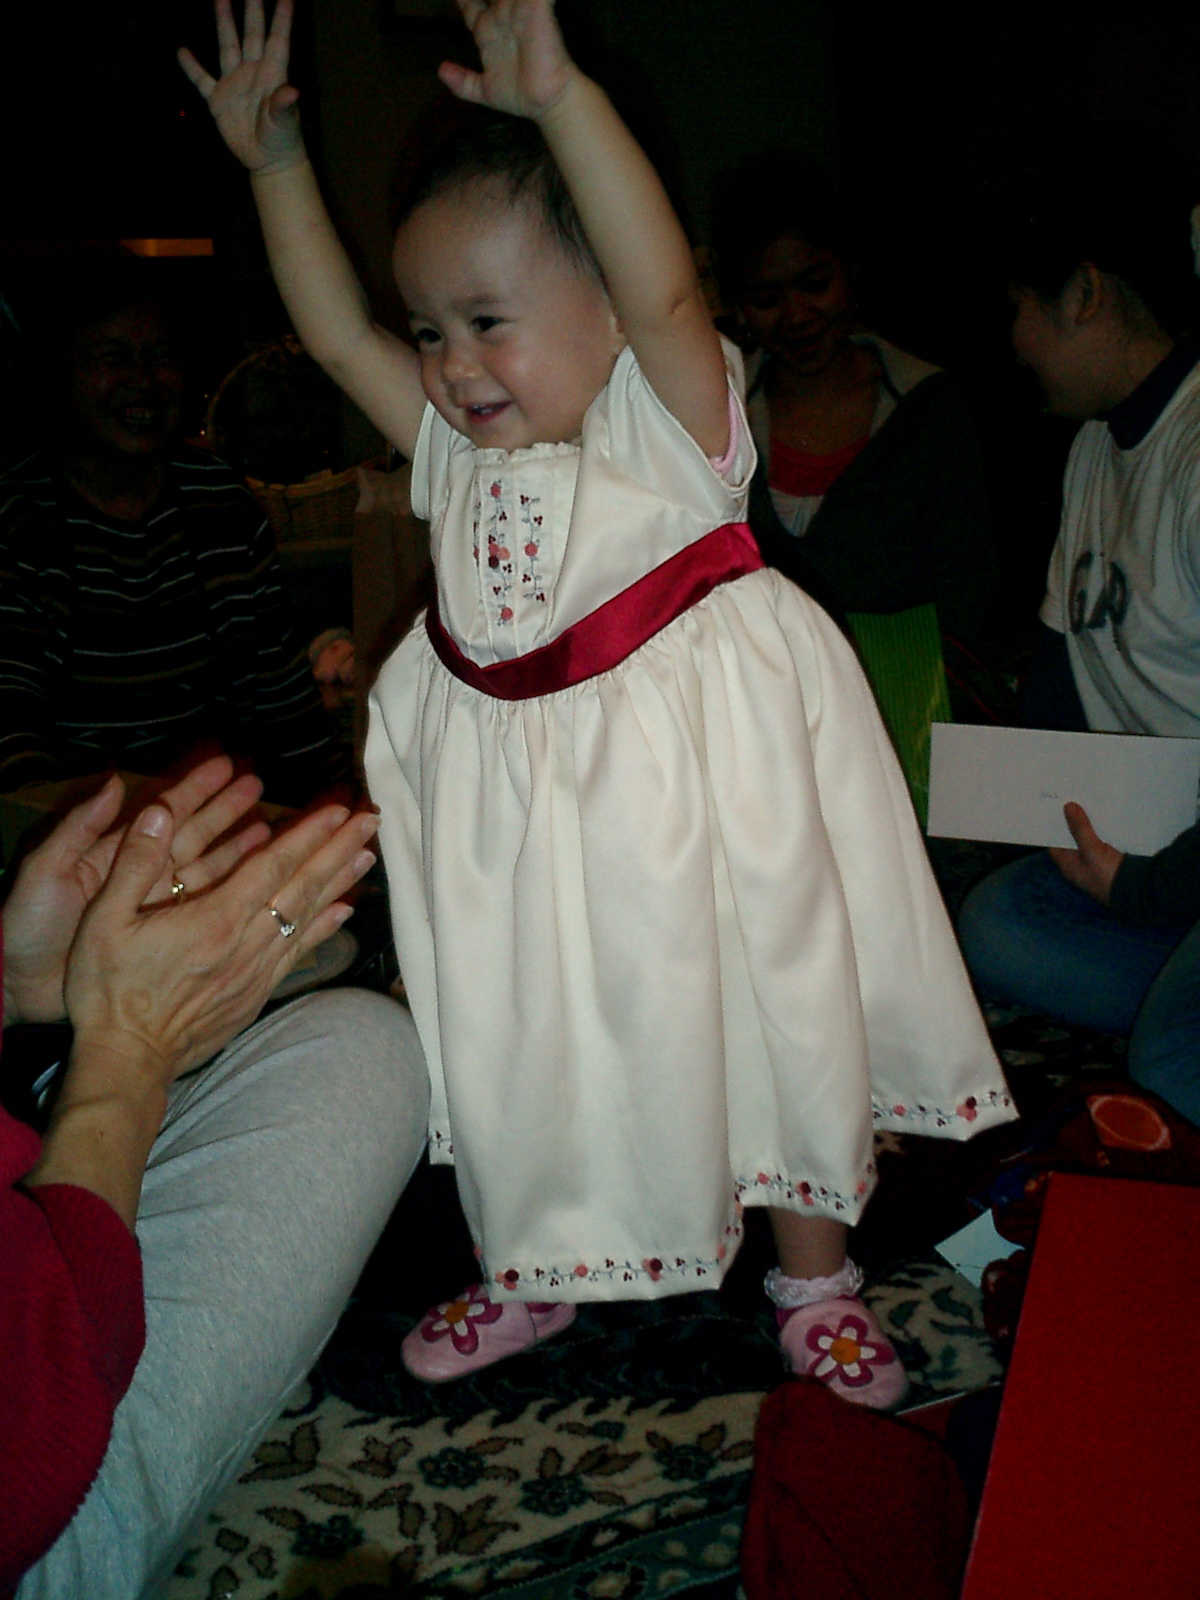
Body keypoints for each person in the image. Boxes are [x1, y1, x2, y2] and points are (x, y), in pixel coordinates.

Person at [181, 0, 1011, 1409]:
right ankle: (542, 1256)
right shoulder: (453, 455)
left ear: (608, 311)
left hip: (703, 824)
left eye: (488, 323)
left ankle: (814, 1277)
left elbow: (670, 291)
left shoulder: (668, 429)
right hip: (526, 837)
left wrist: (564, 105)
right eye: (432, 330)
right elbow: (330, 336)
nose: (453, 364)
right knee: (526, 1035)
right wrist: (275, 165)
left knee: (763, 1023)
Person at [3, 756, 429, 1597]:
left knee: (358, 1041)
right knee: (371, 1059)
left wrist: (11, 987)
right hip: (34, 1497)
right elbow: (38, 1419)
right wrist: (126, 1058)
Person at [957, 135, 1200, 1127]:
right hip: (1155, 845)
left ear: (1085, 294)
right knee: (992, 922)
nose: (1014, 339)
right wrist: (1012, 796)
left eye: (1021, 306)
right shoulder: (1095, 446)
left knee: (1169, 1052)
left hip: (1179, 863)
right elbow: (1060, 668)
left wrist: (1147, 891)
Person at [0, 260, 349, 805]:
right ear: (61, 374)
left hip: (226, 811)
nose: (143, 380)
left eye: (162, 357)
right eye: (113, 358)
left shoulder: (221, 504)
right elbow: (13, 736)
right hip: (78, 824)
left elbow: (283, 699)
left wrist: (334, 806)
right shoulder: (22, 519)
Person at [715, 156, 996, 651]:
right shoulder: (720, 412)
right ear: (738, 307)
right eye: (767, 299)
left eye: (814, 285)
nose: (796, 316)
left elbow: (969, 591)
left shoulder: (927, 407)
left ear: (849, 273)